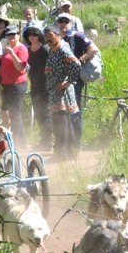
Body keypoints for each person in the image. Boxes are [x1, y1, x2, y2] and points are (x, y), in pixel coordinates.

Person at [56, 13, 99, 150]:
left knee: (74, 110)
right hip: (60, 79)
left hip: (75, 80)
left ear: (71, 23)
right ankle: (67, 143)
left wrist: (79, 60)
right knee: (62, 111)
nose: (63, 24)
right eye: (61, 21)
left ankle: (77, 144)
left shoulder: (77, 36)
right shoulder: (56, 38)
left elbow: (93, 49)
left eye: (66, 21)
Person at [43, 26, 80, 158]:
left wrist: (68, 81)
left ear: (58, 34)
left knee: (61, 123)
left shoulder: (62, 48)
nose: (48, 39)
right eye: (46, 37)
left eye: (50, 36)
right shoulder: (54, 49)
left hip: (61, 92)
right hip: (55, 91)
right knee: (64, 122)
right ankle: (70, 152)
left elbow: (76, 64)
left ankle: (62, 153)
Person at [0, 25, 29, 149]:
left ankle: (20, 142)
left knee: (15, 113)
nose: (11, 37)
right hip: (6, 84)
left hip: (17, 84)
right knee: (7, 112)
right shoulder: (6, 48)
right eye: (9, 35)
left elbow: (20, 67)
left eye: (14, 34)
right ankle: (15, 139)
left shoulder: (21, 48)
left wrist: (12, 53)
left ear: (18, 35)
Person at [23, 25, 52, 150]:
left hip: (45, 84)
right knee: (39, 113)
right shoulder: (28, 50)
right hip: (34, 84)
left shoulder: (45, 49)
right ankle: (44, 139)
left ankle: (48, 141)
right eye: (29, 35)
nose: (32, 37)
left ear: (39, 35)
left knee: (45, 113)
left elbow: (51, 66)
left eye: (35, 34)